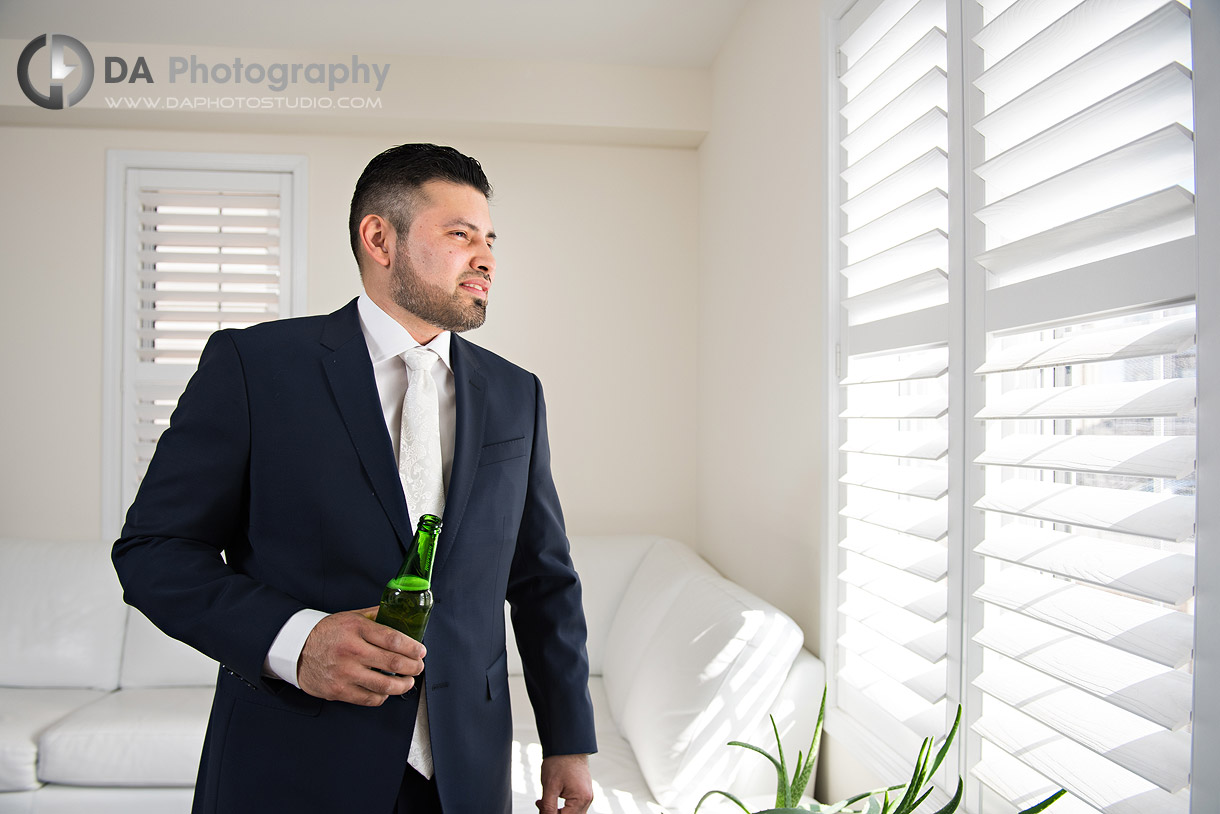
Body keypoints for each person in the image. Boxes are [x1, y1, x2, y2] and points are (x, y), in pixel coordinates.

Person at [112, 144, 597, 813]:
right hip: (292, 765)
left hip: (466, 775)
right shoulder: (255, 367)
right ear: (380, 238)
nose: (485, 258)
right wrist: (297, 639)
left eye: (489, 240)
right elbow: (154, 553)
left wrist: (568, 740)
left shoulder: (519, 395)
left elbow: (543, 581)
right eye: (459, 235)